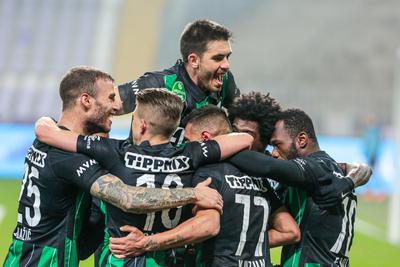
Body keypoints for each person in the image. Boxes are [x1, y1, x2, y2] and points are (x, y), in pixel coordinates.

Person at [3, 67, 224, 267]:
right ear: (86, 100)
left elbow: (85, 243)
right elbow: (128, 198)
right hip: (46, 261)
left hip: (24, 254)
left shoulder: (50, 136)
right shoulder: (66, 156)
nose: (118, 106)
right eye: (111, 98)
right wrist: (194, 194)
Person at [33, 89, 254, 266]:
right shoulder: (192, 155)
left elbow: (46, 133)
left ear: (142, 125)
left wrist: (44, 119)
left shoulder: (115, 152)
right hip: (164, 258)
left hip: (120, 259)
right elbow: (244, 138)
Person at [108, 105, 301, 267]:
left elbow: (208, 226)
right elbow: (290, 231)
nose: (186, 148)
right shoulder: (258, 177)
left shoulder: (210, 172)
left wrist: (146, 243)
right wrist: (248, 244)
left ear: (206, 139)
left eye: (189, 141)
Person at [117, 19, 239, 145]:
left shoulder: (224, 79)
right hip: (145, 161)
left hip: (193, 162)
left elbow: (244, 118)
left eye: (227, 57)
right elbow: (107, 102)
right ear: (194, 61)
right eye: (218, 58)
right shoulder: (158, 83)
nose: (226, 65)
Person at [269, 109, 357, 267]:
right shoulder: (336, 170)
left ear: (301, 140)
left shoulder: (311, 170)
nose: (274, 153)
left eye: (277, 145)